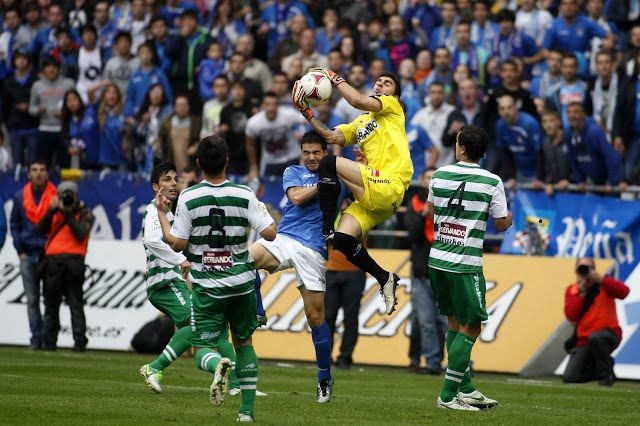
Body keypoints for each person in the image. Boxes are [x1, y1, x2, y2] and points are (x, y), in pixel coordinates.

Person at [155, 136, 277, 422]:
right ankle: (246, 413)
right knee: (244, 343)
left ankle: (218, 365)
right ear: (227, 161)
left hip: (208, 287)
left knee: (201, 349)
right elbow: (270, 233)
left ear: (198, 164)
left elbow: (177, 244)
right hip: (242, 283)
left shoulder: (189, 197)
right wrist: (261, 212)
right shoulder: (245, 193)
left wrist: (162, 215)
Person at [292, 68, 413, 316]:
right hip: (375, 200)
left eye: (387, 83)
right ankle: (384, 277)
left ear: (395, 95)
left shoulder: (392, 107)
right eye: (377, 81)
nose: (380, 85)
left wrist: (333, 76)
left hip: (390, 183)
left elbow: (357, 100)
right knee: (343, 241)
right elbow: (329, 136)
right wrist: (306, 111)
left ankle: (324, 228)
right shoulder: (361, 123)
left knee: (328, 163)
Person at [138, 161, 247, 396]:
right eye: (167, 179)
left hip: (175, 281)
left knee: (216, 328)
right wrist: (180, 260)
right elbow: (152, 240)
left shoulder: (169, 213)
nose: (173, 183)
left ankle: (237, 385)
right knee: (197, 325)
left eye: (174, 178)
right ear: (155, 186)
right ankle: (154, 368)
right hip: (164, 283)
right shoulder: (153, 212)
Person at [249, 131, 340, 402]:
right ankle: (257, 310)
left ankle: (324, 377)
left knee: (315, 317)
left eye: (316, 152)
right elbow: (297, 198)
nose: (311, 157)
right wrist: (325, 183)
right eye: (307, 152)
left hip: (313, 248)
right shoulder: (294, 171)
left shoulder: (341, 175)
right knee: (244, 259)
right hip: (285, 237)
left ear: (325, 153)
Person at [427, 125, 512, 410]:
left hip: (437, 260)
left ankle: (466, 388)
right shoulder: (492, 181)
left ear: (461, 148)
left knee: (454, 322)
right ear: (482, 152)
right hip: (465, 264)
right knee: (472, 325)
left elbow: (431, 213)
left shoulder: (439, 175)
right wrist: (507, 219)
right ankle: (448, 396)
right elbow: (501, 222)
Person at [36, 181, 94, 351]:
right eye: (64, 195)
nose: (68, 198)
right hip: (52, 264)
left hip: (73, 264)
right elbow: (39, 230)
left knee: (76, 305)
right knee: (51, 306)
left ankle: (79, 342)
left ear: (76, 197)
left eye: (71, 195)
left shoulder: (85, 212)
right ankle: (49, 341)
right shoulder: (54, 211)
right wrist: (51, 210)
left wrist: (68, 213)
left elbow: (81, 233)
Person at [10, 160, 56, 350]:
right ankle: (36, 338)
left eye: (42, 169)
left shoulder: (55, 196)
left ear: (47, 173)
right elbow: (14, 225)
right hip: (27, 254)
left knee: (50, 299)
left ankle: (47, 339)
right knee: (32, 300)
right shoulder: (20, 197)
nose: (38, 173)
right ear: (28, 174)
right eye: (34, 170)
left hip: (49, 254)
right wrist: (19, 250)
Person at [563, 257, 630, 386]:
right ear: (576, 271)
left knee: (596, 338)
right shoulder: (572, 290)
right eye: (582, 268)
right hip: (583, 340)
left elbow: (624, 292)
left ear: (594, 270)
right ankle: (605, 365)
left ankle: (606, 376)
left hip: (609, 334)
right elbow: (571, 316)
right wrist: (582, 292)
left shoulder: (604, 284)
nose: (585, 271)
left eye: (589, 268)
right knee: (569, 377)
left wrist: (602, 279)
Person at [406, 169, 447, 375]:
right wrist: (423, 217)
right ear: (422, 181)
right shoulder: (414, 203)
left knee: (446, 323)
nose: (431, 181)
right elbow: (411, 236)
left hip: (444, 273)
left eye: (434, 178)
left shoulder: (448, 202)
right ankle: (432, 363)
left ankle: (457, 364)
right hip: (422, 273)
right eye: (428, 177)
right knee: (426, 322)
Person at [324, 197, 366, 370]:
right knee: (328, 317)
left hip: (354, 272)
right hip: (331, 271)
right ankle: (326, 357)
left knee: (350, 318)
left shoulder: (360, 215)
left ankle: (345, 357)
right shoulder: (330, 215)